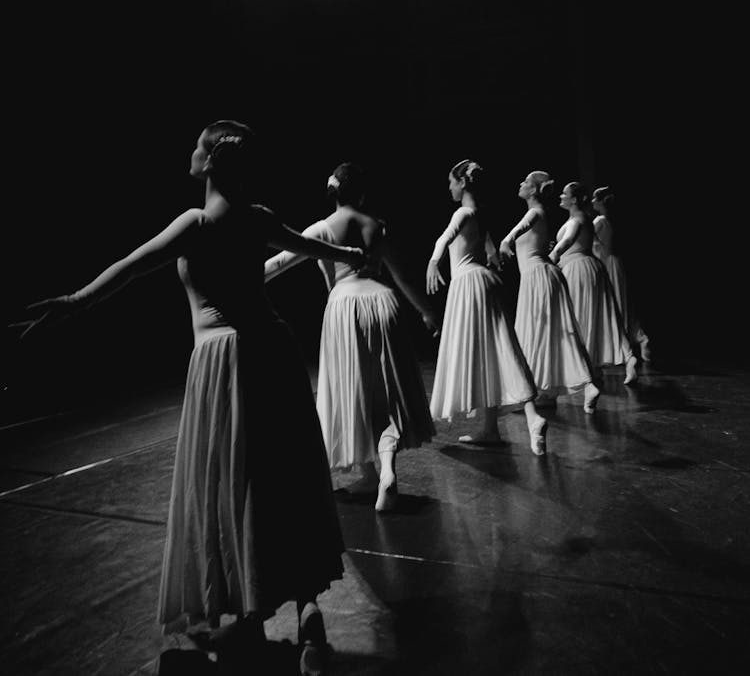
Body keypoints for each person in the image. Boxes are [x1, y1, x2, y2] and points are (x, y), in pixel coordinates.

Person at [16, 121, 365, 675]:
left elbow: (132, 267)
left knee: (233, 483)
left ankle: (251, 609)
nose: (190, 152)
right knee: (282, 476)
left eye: (198, 146)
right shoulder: (257, 217)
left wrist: (73, 301)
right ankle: (304, 608)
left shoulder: (198, 222)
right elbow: (307, 245)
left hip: (225, 360)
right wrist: (351, 250)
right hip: (271, 350)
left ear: (211, 162)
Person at [264, 162, 437, 514]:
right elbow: (401, 275)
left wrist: (238, 281)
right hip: (382, 302)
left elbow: (280, 262)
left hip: (345, 308)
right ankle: (383, 472)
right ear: (361, 193)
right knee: (385, 393)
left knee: (355, 391)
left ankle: (371, 474)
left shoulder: (321, 228)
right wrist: (426, 310)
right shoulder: (377, 226)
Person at [426, 160, 548, 454]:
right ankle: (500, 425)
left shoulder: (464, 212)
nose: (450, 187)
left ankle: (519, 420)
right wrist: (493, 257)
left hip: (469, 284)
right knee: (495, 352)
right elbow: (491, 250)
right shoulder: (480, 214)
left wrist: (432, 263)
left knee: (487, 352)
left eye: (452, 182)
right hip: (484, 282)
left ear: (463, 182)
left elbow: (445, 238)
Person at [499, 171, 599, 412]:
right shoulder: (541, 213)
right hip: (545, 275)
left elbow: (521, 229)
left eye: (525, 182)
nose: (520, 184)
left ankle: (537, 391)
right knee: (550, 335)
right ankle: (551, 391)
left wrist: (506, 241)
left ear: (533, 190)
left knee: (534, 334)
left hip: (538, 277)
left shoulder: (534, 212)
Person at [549, 182, 637, 387]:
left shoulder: (577, 219)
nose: (560, 197)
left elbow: (568, 240)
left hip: (578, 269)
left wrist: (552, 256)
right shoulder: (586, 218)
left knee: (579, 318)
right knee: (600, 317)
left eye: (564, 194)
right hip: (591, 267)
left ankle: (585, 371)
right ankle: (621, 358)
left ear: (574, 199)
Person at [592, 185, 651, 362]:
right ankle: (639, 337)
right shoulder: (609, 219)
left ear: (601, 201)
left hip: (607, 264)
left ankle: (622, 345)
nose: (592, 201)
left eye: (595, 198)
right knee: (622, 303)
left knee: (615, 304)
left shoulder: (600, 221)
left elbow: (590, 243)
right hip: (613, 262)